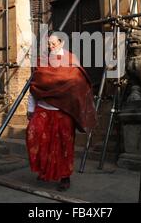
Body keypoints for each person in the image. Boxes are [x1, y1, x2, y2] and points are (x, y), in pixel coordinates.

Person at [26, 33, 96, 191]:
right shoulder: (42, 60)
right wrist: (31, 108)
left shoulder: (71, 60)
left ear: (61, 43)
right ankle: (44, 170)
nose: (51, 47)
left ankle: (65, 177)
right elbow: (35, 86)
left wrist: (75, 105)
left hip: (64, 110)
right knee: (34, 135)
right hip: (43, 108)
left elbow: (79, 85)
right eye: (49, 44)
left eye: (54, 43)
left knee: (64, 145)